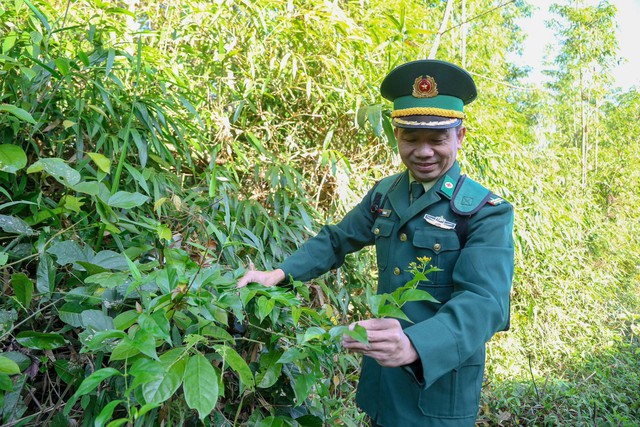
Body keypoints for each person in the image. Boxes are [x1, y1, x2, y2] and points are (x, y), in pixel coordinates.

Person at [237, 59, 514, 427]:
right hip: (382, 383)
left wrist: (416, 345)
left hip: (437, 387)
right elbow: (337, 240)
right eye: (411, 139)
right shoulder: (386, 193)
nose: (424, 152)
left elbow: (486, 302)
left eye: (437, 139)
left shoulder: (483, 211)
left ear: (460, 136)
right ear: (396, 136)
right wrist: (279, 274)